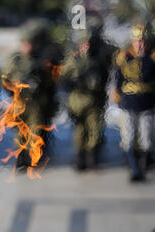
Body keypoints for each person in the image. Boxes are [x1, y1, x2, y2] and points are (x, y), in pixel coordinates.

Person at [4, 19, 61, 169]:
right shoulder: (15, 59)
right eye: (24, 43)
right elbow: (5, 79)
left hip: (36, 104)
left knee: (35, 132)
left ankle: (32, 159)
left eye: (29, 43)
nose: (26, 47)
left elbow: (51, 81)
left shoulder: (41, 59)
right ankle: (22, 160)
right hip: (20, 103)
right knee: (20, 134)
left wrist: (39, 76)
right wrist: (14, 86)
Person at [60, 26, 114, 171]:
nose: (87, 46)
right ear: (79, 44)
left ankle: (91, 159)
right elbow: (63, 80)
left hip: (94, 101)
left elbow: (105, 77)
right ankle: (80, 158)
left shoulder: (97, 59)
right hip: (77, 101)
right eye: (84, 43)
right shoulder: (73, 60)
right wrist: (75, 82)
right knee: (79, 132)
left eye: (89, 43)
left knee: (94, 131)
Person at [113, 23, 155, 182]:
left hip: (147, 105)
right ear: (132, 41)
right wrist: (117, 96)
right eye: (137, 40)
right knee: (128, 139)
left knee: (146, 139)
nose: (140, 44)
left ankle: (143, 167)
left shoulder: (152, 58)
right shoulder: (124, 58)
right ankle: (133, 169)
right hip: (129, 104)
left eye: (143, 40)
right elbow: (118, 80)